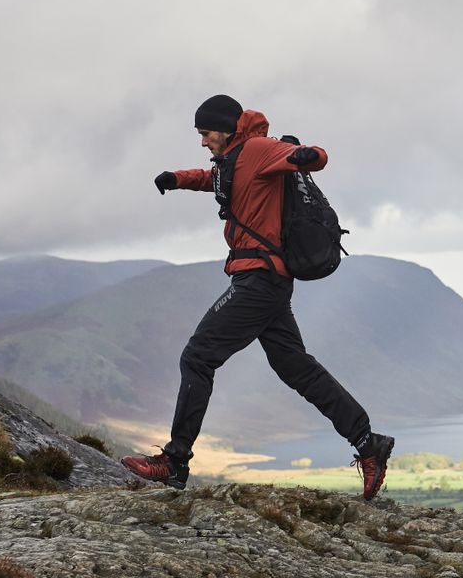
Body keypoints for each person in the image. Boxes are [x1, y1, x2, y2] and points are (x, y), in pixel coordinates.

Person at [121, 94, 394, 499]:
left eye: (206, 132)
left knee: (198, 356)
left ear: (227, 128)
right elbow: (210, 178)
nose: (202, 141)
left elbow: (316, 156)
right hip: (267, 282)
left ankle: (174, 462)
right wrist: (176, 178)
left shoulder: (258, 149)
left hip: (259, 281)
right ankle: (368, 443)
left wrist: (305, 155)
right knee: (295, 367)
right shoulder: (232, 160)